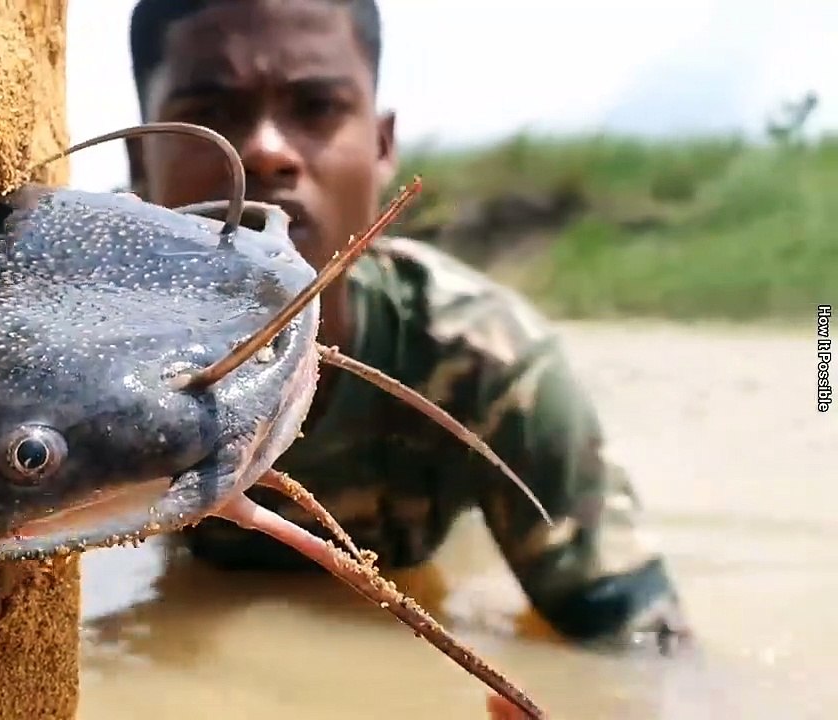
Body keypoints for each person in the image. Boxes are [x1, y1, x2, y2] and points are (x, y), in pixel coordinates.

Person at [124, 0, 691, 650]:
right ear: (141, 160)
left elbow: (642, 647)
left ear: (382, 145)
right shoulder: (104, 356)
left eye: (315, 108)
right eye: (211, 116)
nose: (265, 150)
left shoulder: (484, 359)